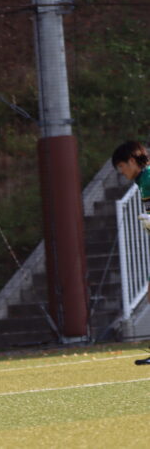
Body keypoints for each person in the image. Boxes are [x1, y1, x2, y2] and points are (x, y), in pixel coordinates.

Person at [111, 140, 150, 366]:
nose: (121, 171)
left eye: (121, 166)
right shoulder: (142, 180)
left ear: (133, 161)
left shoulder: (148, 178)